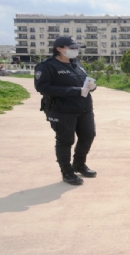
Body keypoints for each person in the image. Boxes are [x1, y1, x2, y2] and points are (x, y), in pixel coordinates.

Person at [34, 36, 97, 185]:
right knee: (65, 140)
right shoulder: (47, 66)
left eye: (77, 48)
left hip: (84, 108)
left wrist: (92, 87)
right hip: (62, 110)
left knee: (88, 135)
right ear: (59, 49)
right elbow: (42, 87)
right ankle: (67, 172)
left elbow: (84, 83)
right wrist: (75, 91)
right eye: (72, 48)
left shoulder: (76, 64)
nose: (75, 51)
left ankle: (79, 164)